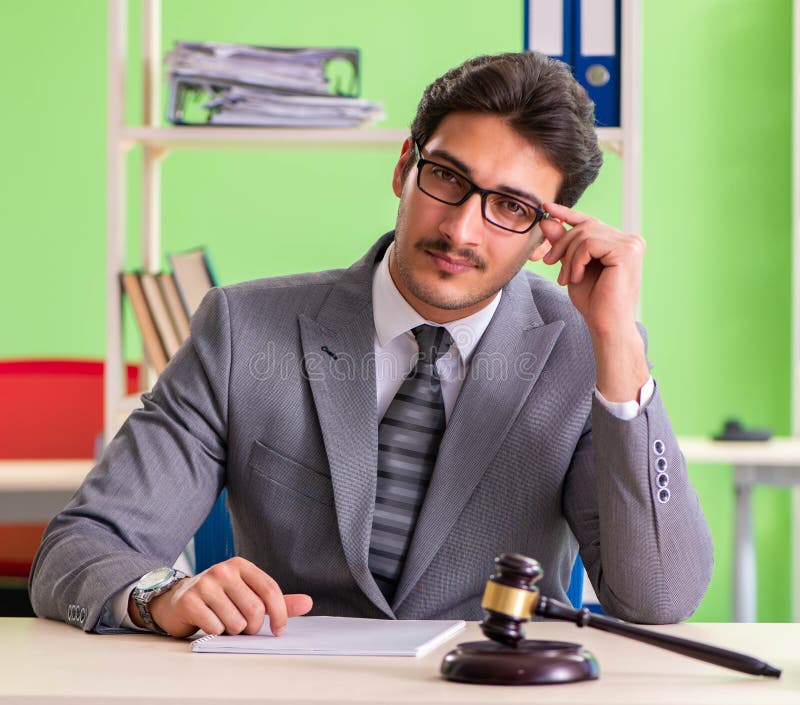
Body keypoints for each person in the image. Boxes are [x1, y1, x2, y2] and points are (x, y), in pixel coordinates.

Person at [30, 51, 713, 638]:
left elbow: (656, 597)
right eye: (447, 176)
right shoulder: (243, 328)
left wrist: (619, 343)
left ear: (548, 235)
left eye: (511, 207)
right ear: (404, 168)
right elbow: (79, 547)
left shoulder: (582, 353)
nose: (463, 231)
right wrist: (160, 596)